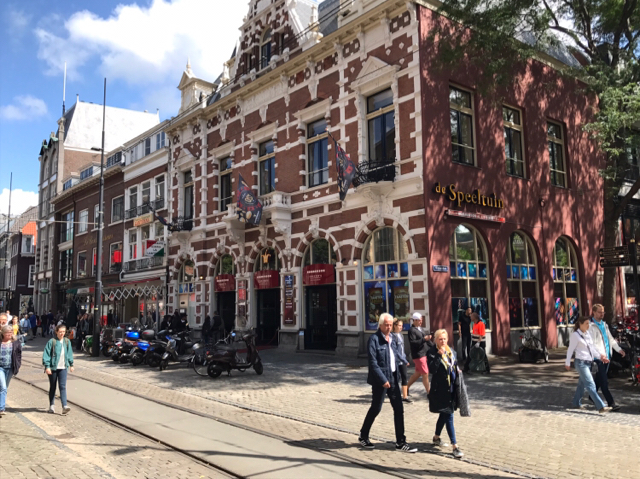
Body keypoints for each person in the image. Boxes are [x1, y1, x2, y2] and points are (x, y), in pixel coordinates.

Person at [358, 313, 417, 453]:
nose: (389, 327)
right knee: (376, 408)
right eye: (386, 325)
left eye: (391, 325)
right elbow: (373, 363)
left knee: (399, 409)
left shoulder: (393, 338)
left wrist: (404, 361)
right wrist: (382, 379)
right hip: (380, 380)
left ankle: (400, 442)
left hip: (393, 378)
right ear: (380, 325)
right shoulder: (374, 340)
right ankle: (363, 435)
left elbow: (396, 354)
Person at [427, 329, 464, 458]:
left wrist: (457, 371)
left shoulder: (451, 351)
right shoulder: (432, 352)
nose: (443, 341)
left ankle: (436, 437)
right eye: (440, 339)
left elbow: (454, 365)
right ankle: (455, 446)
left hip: (451, 388)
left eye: (444, 339)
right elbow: (432, 369)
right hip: (440, 390)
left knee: (444, 414)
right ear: (436, 340)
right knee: (449, 415)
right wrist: (438, 356)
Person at [565, 316, 611, 413]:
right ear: (580, 324)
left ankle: (576, 403)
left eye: (588, 324)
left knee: (581, 384)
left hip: (588, 363)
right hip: (580, 363)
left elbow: (592, 349)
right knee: (590, 384)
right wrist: (567, 362)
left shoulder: (587, 334)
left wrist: (601, 356)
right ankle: (601, 406)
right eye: (586, 324)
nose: (588, 326)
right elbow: (570, 350)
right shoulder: (575, 335)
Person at [589, 304, 625, 411]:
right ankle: (611, 403)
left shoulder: (604, 325)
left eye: (603, 312)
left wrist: (619, 349)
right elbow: (592, 344)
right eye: (599, 312)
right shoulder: (591, 326)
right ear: (594, 312)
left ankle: (591, 396)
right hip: (599, 358)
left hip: (607, 357)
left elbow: (610, 339)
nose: (602, 314)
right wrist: (600, 355)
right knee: (604, 382)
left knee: (599, 379)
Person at [42, 324, 74, 415]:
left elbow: (69, 353)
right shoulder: (52, 341)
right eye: (60, 332)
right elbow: (46, 354)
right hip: (53, 368)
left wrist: (71, 364)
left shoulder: (67, 341)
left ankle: (64, 406)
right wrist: (47, 366)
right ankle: (52, 405)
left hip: (63, 367)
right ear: (56, 332)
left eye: (63, 332)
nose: (62, 333)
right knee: (53, 386)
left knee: (62, 386)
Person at [407, 312, 430, 398]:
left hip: (423, 353)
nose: (421, 322)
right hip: (418, 355)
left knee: (418, 373)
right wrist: (424, 339)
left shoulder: (420, 329)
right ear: (415, 320)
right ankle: (429, 393)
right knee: (425, 373)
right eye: (419, 320)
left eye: (421, 320)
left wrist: (435, 347)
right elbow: (413, 343)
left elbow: (427, 341)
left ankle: (406, 388)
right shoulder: (411, 330)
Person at [0, 325, 22, 416]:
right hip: (0, 367)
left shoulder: (16, 342)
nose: (9, 334)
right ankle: (1, 408)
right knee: (3, 387)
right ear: (3, 333)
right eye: (7, 333)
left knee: (4, 388)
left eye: (11, 332)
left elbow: (19, 354)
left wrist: (18, 364)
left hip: (10, 368)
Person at [392, 318, 412, 403]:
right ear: (395, 326)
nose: (401, 327)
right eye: (399, 325)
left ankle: (405, 396)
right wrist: (403, 359)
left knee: (404, 377)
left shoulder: (401, 335)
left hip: (403, 359)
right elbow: (395, 351)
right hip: (396, 361)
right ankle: (394, 394)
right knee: (396, 378)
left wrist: (405, 358)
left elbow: (402, 349)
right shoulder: (392, 336)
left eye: (402, 325)